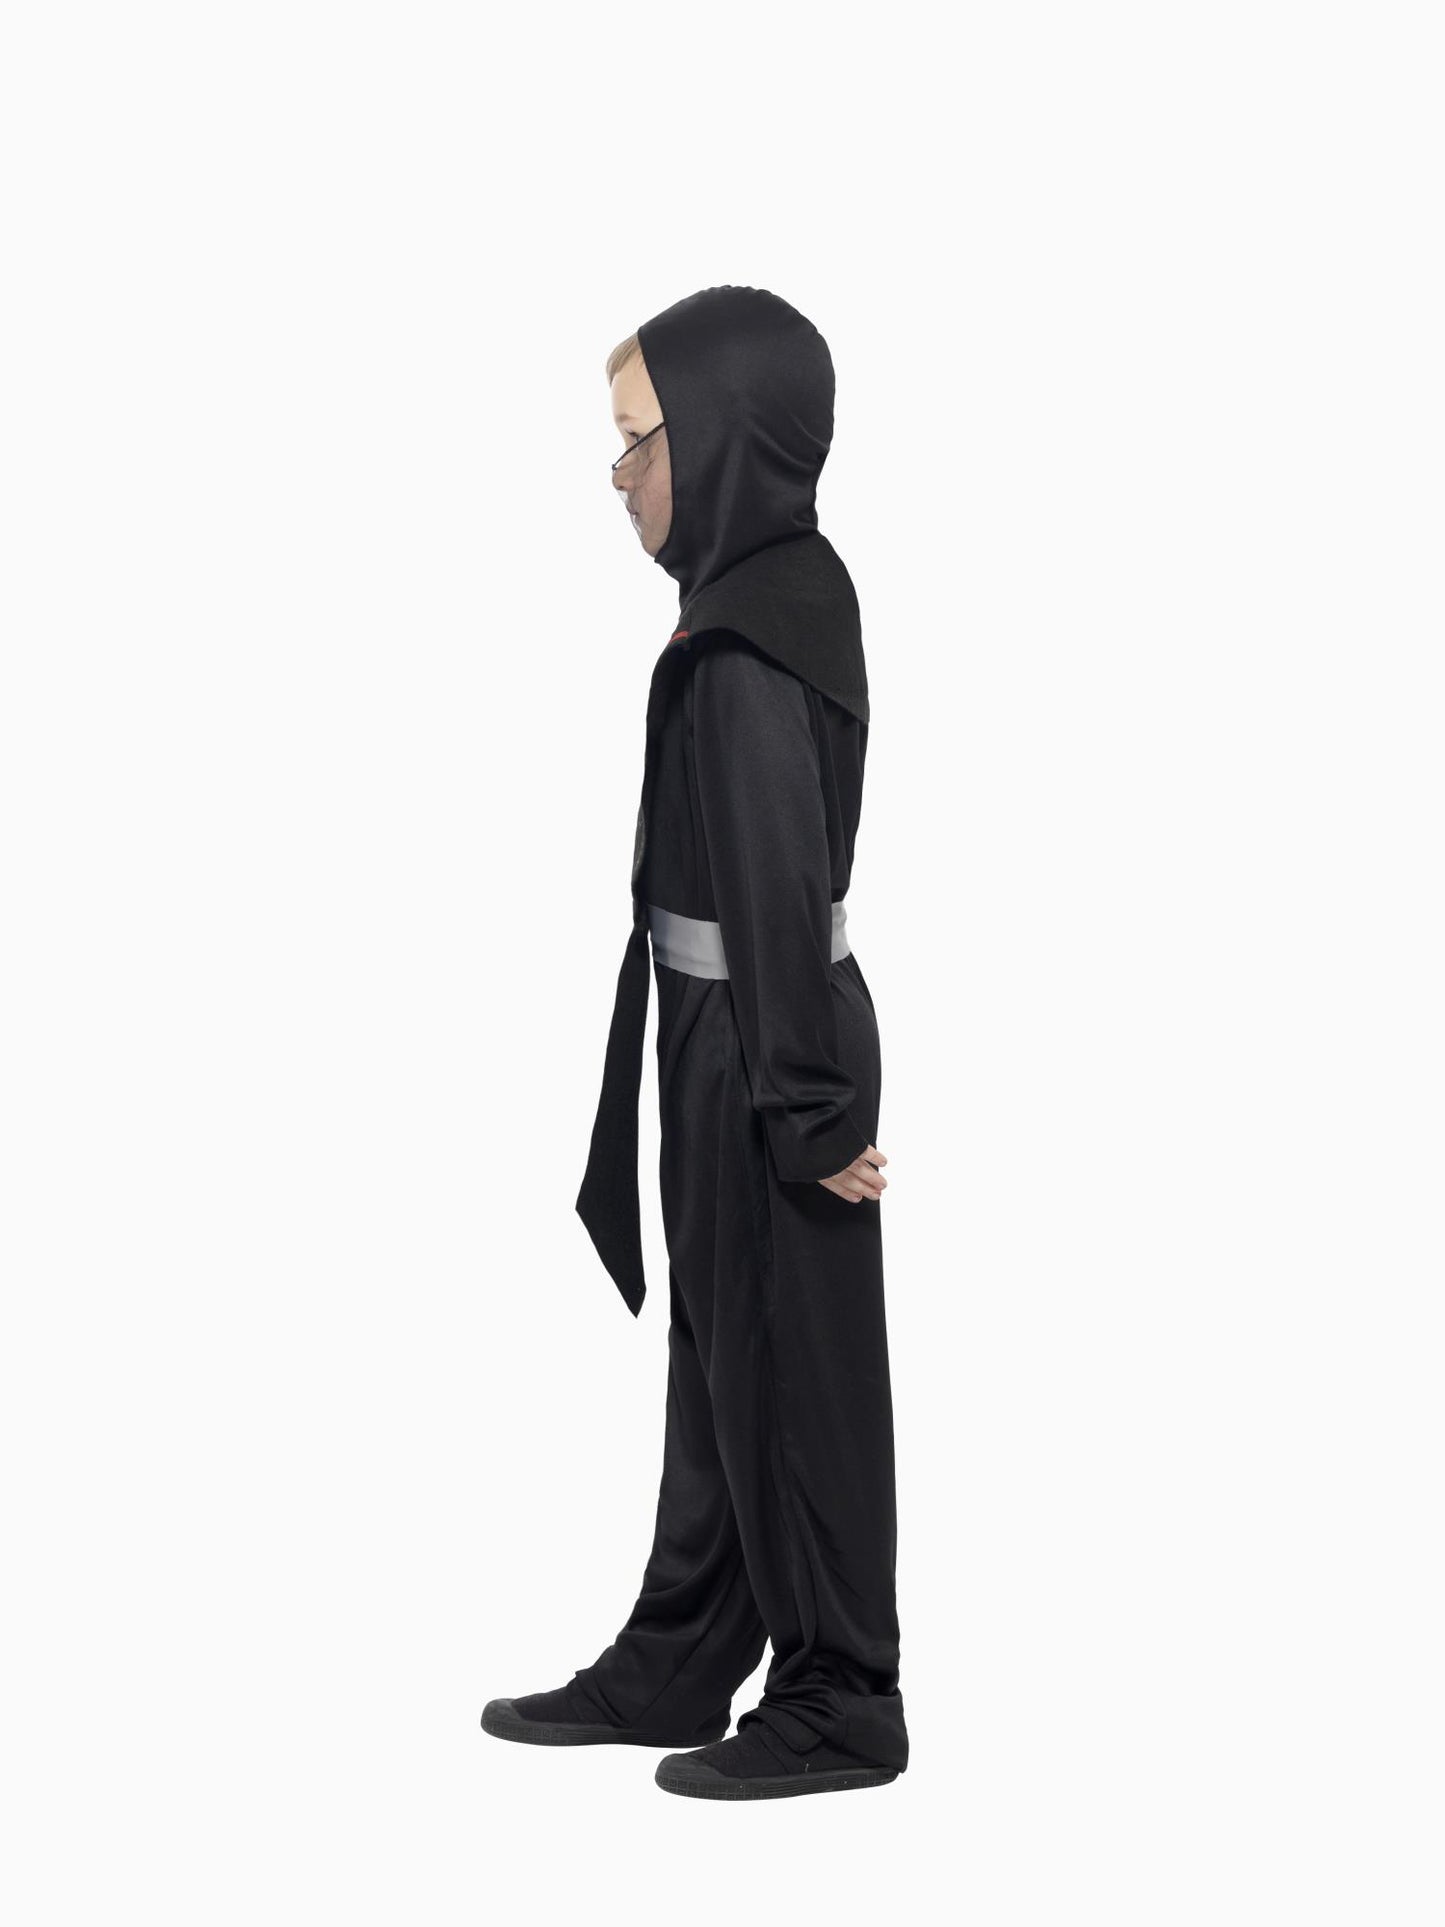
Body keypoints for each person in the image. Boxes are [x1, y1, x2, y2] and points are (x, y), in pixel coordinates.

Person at [482, 286, 908, 1800]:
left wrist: (806, 1106)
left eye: (638, 441)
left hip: (762, 1039)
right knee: (724, 1351)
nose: (621, 478)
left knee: (793, 1368)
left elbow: (777, 881)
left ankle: (842, 1697)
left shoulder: (743, 647)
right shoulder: (775, 587)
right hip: (726, 1027)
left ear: (720, 439)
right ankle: (685, 1646)